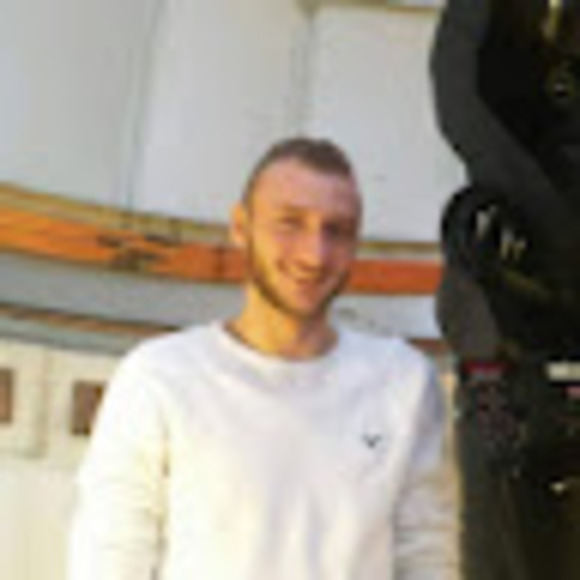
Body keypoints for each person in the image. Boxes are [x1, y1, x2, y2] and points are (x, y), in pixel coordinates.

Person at [68, 137, 459, 580]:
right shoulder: (159, 377)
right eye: (290, 223)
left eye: (337, 230)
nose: (314, 254)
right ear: (241, 226)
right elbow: (111, 558)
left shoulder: (403, 382)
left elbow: (428, 558)